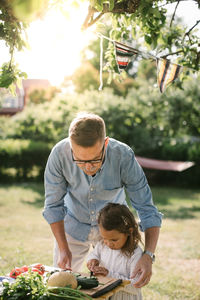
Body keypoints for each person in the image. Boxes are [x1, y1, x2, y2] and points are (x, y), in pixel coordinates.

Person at [43, 112, 162, 288]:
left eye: (94, 160)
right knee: (60, 287)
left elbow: (146, 208)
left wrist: (148, 255)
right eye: (80, 161)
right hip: (73, 227)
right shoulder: (59, 155)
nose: (88, 167)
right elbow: (53, 206)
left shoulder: (123, 156)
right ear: (70, 146)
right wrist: (63, 248)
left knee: (112, 289)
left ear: (105, 144)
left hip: (113, 231)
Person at [87, 203, 143, 300]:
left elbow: (136, 286)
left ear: (129, 231)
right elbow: (94, 254)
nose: (108, 244)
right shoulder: (102, 245)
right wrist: (93, 260)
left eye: (114, 240)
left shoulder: (135, 253)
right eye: (105, 238)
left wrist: (109, 275)